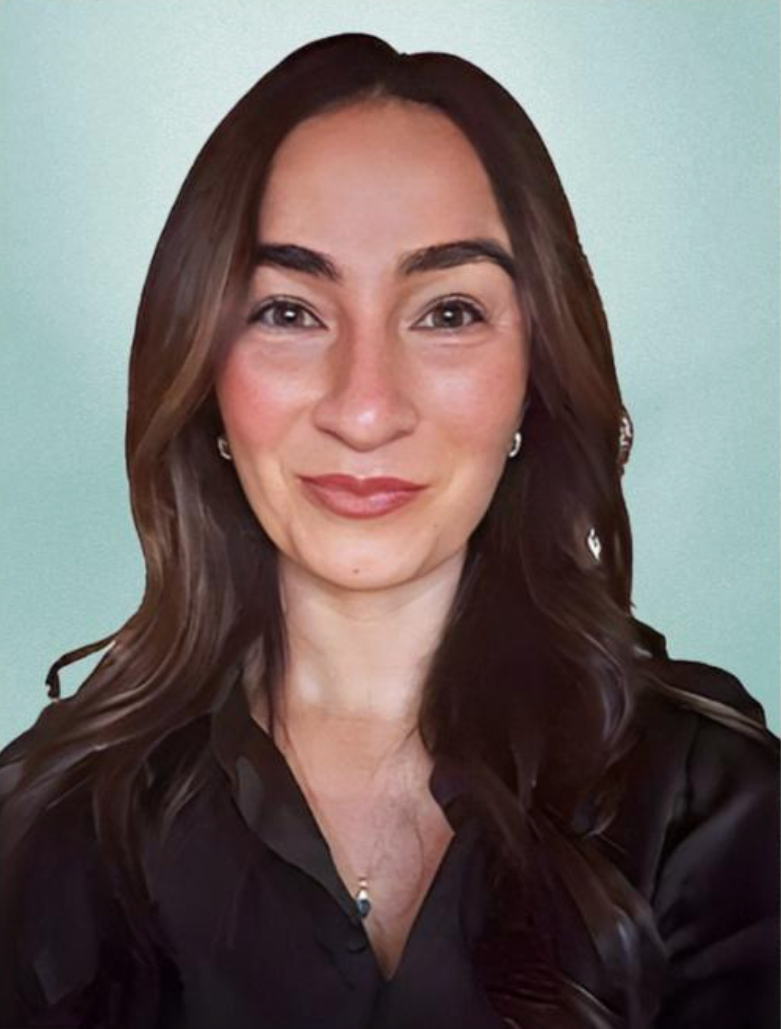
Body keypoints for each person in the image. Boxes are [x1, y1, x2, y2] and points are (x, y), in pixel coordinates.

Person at [0, 31, 778, 1029]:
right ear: (202, 373)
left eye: (447, 311)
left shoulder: (713, 809)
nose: (365, 410)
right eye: (288, 311)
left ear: (534, 375)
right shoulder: (38, 836)